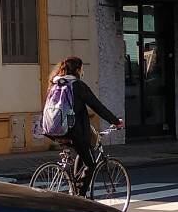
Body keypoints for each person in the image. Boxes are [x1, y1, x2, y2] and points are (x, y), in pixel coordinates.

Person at [46, 56, 124, 190]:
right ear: (77, 70)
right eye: (82, 69)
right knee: (91, 164)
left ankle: (74, 187)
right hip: (73, 130)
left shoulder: (56, 83)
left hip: (53, 129)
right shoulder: (78, 85)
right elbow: (97, 106)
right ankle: (81, 197)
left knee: (82, 151)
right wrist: (116, 122)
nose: (82, 72)